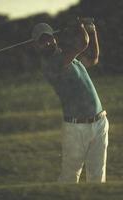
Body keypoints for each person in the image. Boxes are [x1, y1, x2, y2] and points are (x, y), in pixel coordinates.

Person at [32, 18, 109, 183]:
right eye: (41, 41)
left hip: (99, 122)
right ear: (35, 46)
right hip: (76, 128)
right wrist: (81, 27)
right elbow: (82, 44)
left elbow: (93, 57)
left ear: (55, 38)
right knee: (69, 178)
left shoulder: (71, 60)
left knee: (97, 178)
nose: (47, 43)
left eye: (48, 38)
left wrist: (93, 31)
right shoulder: (51, 64)